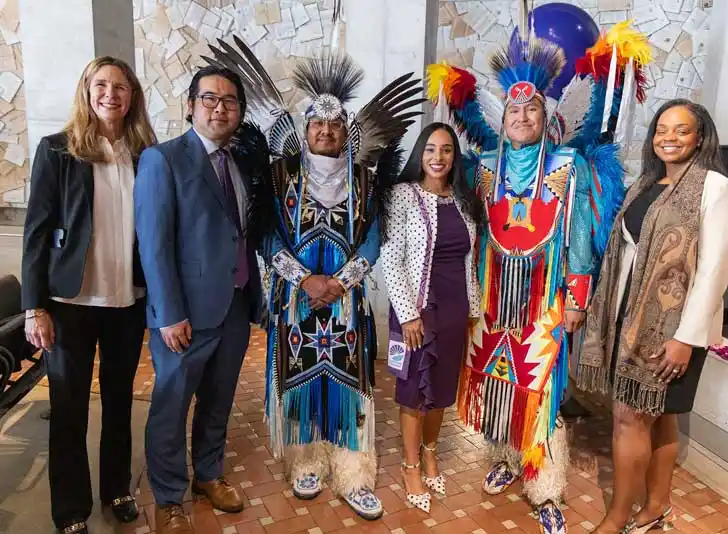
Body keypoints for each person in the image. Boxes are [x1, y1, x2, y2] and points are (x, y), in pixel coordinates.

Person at [425, 17, 653, 530]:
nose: (522, 115)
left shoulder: (568, 167)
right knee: (495, 380)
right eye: (514, 109)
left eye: (532, 108)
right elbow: (460, 222)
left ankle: (546, 487)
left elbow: (577, 239)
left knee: (541, 388)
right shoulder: (481, 165)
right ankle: (506, 459)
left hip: (544, 302)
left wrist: (576, 298)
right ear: (502, 119)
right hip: (488, 297)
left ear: (545, 117)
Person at [205, 39, 424, 520]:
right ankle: (305, 463)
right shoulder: (279, 174)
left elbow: (372, 237)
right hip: (296, 303)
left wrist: (342, 281)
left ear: (347, 131)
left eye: (335, 124)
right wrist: (304, 280)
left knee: (351, 382)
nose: (326, 130)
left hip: (347, 304)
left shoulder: (366, 179)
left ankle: (354, 472)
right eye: (318, 123)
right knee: (300, 378)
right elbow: (262, 234)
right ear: (305, 130)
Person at [577, 99, 728, 534]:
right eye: (661, 130)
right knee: (661, 415)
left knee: (628, 416)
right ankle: (656, 506)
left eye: (681, 130)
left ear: (701, 137)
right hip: (629, 316)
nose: (669, 137)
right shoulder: (646, 184)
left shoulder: (716, 188)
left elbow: (713, 270)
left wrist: (684, 338)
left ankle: (616, 518)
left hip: (671, 329)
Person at [21, 56, 156, 534]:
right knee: (70, 408)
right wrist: (34, 307)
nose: (111, 94)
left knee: (120, 400)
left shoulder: (146, 153)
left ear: (133, 96)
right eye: (101, 85)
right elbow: (35, 232)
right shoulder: (58, 150)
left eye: (121, 87)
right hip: (70, 305)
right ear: (86, 90)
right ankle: (71, 508)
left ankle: (117, 487)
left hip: (127, 301)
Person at [134, 65, 263, 534]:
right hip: (183, 314)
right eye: (209, 98)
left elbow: (241, 234)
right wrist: (168, 313)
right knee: (171, 404)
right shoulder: (161, 159)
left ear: (239, 112)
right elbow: (154, 243)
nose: (219, 108)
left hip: (234, 306)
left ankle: (208, 474)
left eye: (230, 101)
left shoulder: (241, 163)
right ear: (190, 105)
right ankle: (169, 498)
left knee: (218, 399)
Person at [381, 122, 483, 512]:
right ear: (419, 155)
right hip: (418, 306)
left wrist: (473, 310)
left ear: (454, 157)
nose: (437, 157)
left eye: (445, 150)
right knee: (414, 389)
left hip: (456, 305)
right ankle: (409, 466)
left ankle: (430, 453)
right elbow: (391, 258)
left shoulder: (463, 199)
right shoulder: (402, 196)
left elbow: (468, 260)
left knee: (441, 388)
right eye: (429, 150)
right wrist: (408, 316)